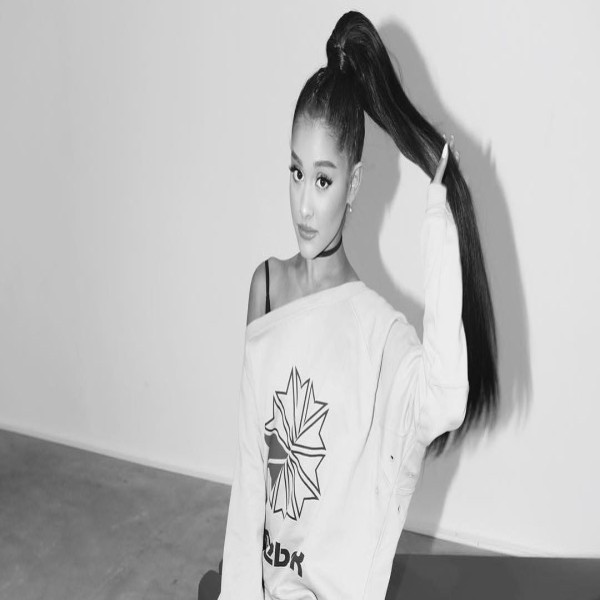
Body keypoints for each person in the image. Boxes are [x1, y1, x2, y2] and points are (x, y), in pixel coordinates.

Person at [216, 10, 498, 599]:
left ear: (355, 183)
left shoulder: (378, 334)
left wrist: (439, 221)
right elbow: (249, 471)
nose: (303, 205)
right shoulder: (265, 287)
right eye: (296, 172)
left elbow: (445, 399)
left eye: (323, 180)